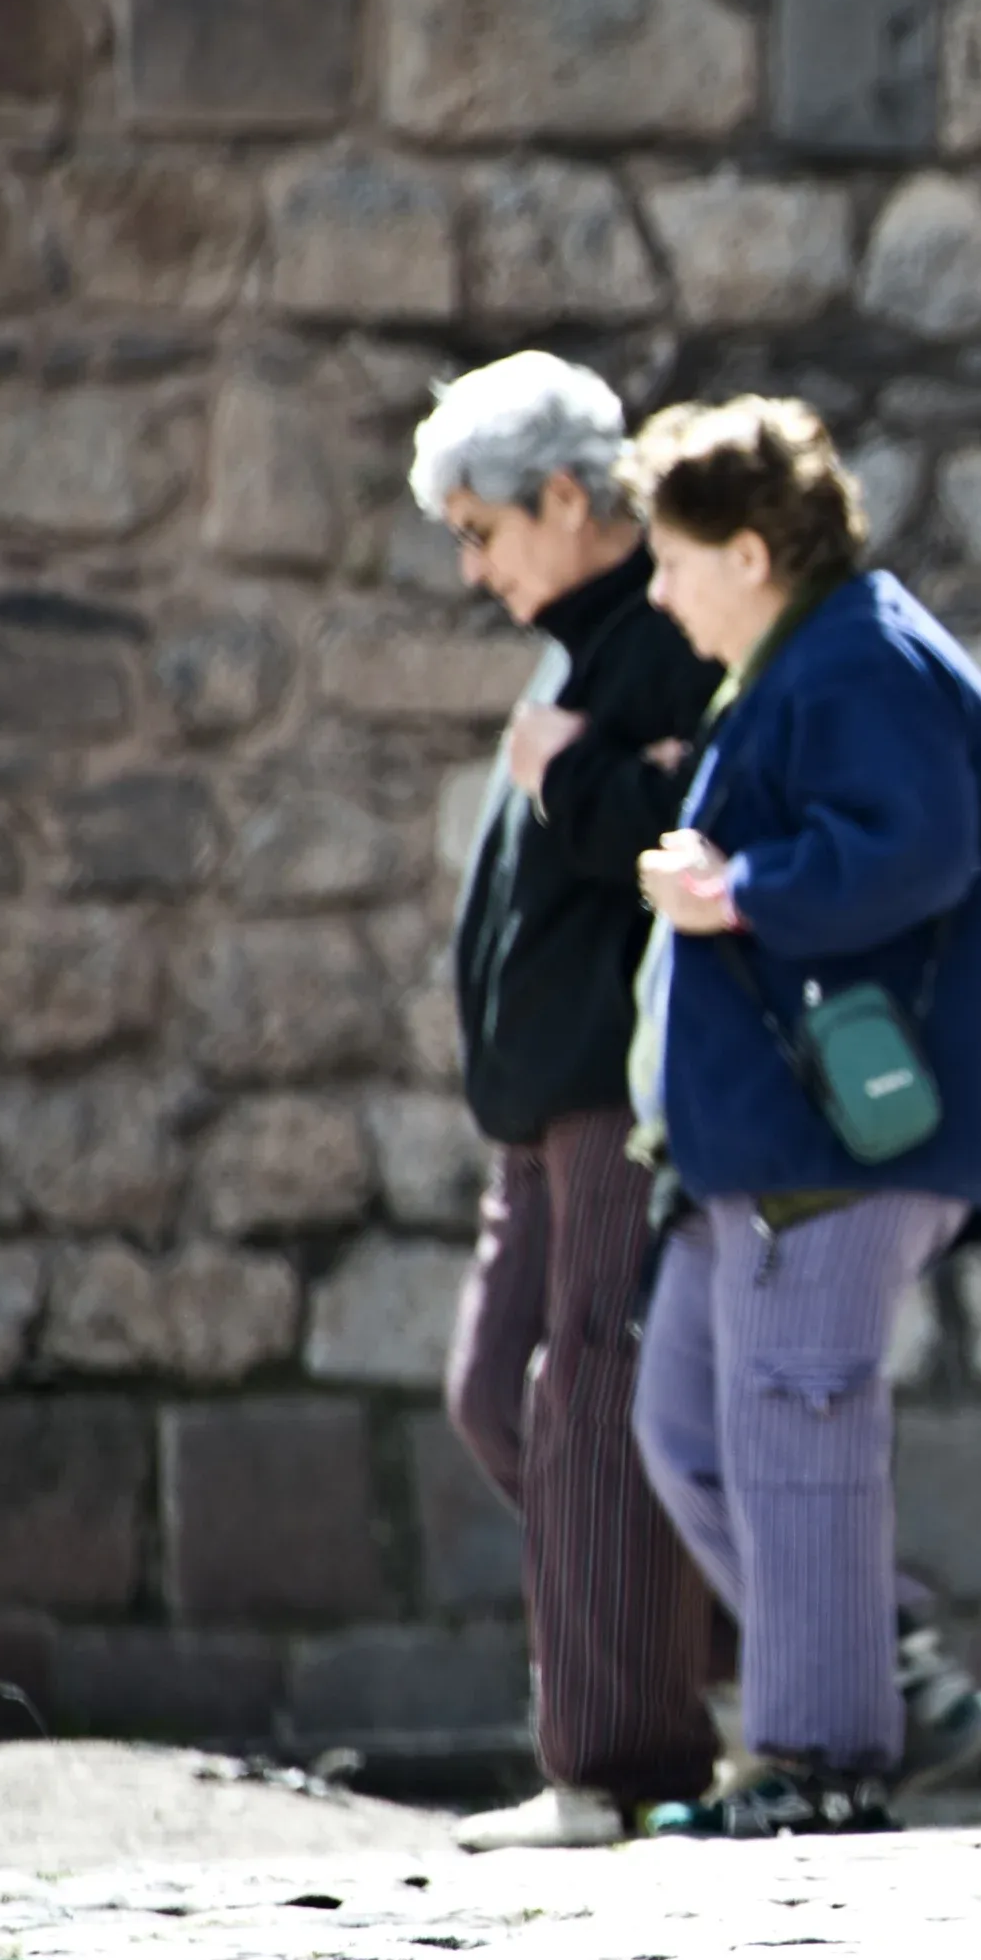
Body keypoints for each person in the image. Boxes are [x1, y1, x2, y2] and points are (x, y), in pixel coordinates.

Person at [621, 397, 981, 1838]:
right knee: (686, 1423)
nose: (659, 592)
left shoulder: (859, 660)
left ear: (749, 552)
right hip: (769, 1152)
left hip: (831, 1150)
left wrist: (736, 888)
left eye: (673, 561)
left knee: (795, 1435)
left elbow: (913, 851)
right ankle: (882, 1683)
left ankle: (820, 1760)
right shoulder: (825, 652)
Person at [413, 354, 725, 1851]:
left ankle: (618, 1765)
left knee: (591, 1403)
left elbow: (676, 840)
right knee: (502, 1396)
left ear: (561, 497)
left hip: (610, 1102)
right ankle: (761, 1627)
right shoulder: (573, 647)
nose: (475, 568)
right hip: (535, 1114)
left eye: (485, 530)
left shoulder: (656, 637)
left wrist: (583, 772)